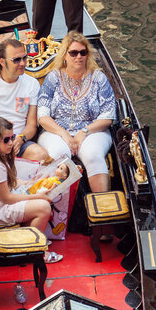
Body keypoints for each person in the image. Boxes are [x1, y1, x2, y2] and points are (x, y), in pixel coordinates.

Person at [0, 116, 63, 263]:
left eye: (12, 137)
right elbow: (7, 199)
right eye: (6, 140)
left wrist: (30, 183)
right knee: (44, 207)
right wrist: (38, 196)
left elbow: (9, 183)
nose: (11, 143)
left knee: (38, 198)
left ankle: (28, 239)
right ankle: (38, 253)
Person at [37, 32, 116, 192]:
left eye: (83, 52)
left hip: (93, 131)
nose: (78, 57)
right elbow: (43, 116)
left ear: (87, 55)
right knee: (59, 154)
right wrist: (64, 134)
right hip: (56, 132)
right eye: (73, 53)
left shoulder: (99, 78)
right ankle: (56, 207)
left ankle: (102, 205)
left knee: (93, 154)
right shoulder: (53, 78)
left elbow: (108, 117)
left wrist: (84, 132)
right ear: (65, 55)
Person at [0, 38, 48, 162]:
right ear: (2, 62)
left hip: (18, 141)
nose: (22, 63)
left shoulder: (31, 84)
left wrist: (21, 139)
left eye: (24, 58)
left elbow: (31, 125)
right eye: (16, 60)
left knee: (40, 154)